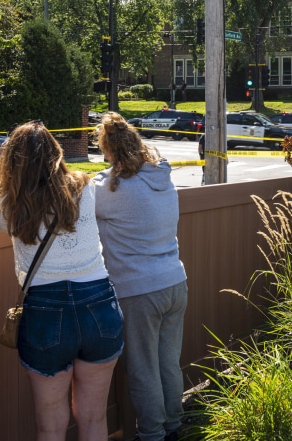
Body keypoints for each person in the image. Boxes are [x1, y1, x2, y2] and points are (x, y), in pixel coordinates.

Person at [0, 121, 122, 441]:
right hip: (99, 303)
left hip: (45, 311)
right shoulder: (84, 187)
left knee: (50, 427)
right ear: (57, 153)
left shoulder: (11, 205)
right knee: (94, 417)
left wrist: (0, 155)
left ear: (12, 160)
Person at [93, 113, 188, 441]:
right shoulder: (163, 179)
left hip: (139, 290)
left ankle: (152, 435)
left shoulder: (111, 189)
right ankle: (174, 426)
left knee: (143, 367)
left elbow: (79, 196)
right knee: (168, 363)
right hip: (175, 282)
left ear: (109, 152)